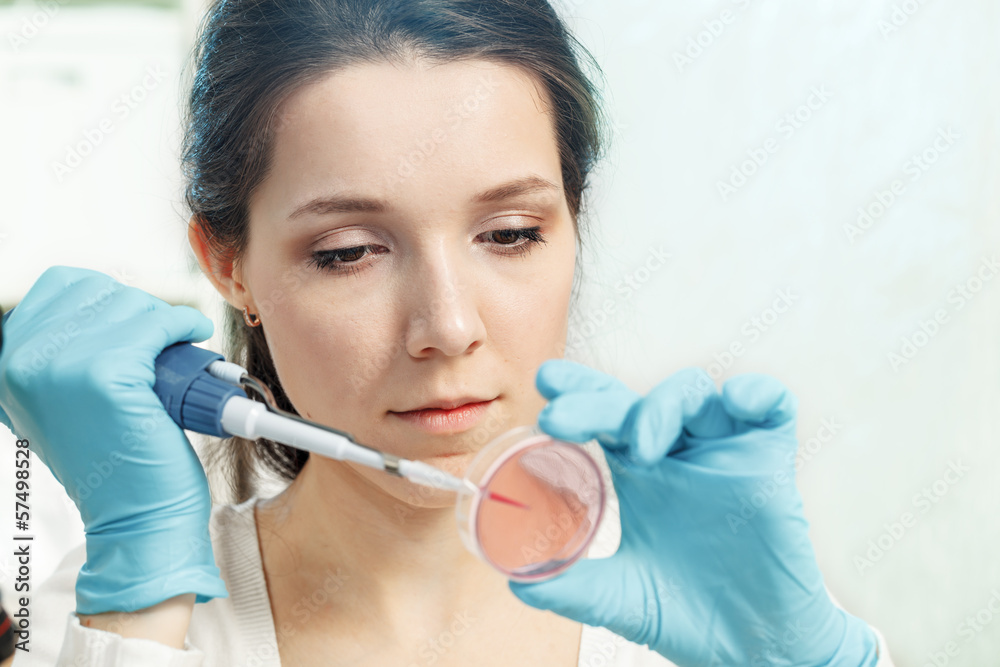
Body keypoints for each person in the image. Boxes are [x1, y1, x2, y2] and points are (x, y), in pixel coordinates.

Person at [0, 0, 894, 665]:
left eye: (510, 234)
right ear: (229, 263)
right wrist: (140, 592)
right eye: (349, 251)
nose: (449, 326)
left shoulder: (698, 617)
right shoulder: (113, 619)